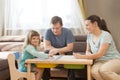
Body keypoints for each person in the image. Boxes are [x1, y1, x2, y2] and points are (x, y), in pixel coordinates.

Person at [73, 15, 120, 80]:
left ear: (95, 24)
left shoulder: (105, 35)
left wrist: (82, 56)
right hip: (100, 61)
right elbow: (88, 50)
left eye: (87, 25)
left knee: (103, 70)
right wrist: (87, 53)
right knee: (94, 72)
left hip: (113, 59)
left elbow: (100, 54)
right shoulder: (89, 36)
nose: (86, 27)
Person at [42, 16, 75, 80]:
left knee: (70, 54)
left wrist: (59, 50)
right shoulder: (48, 31)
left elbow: (70, 47)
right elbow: (46, 46)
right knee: (46, 53)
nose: (55, 30)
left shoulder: (68, 32)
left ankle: (71, 78)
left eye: (57, 28)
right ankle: (46, 78)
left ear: (61, 26)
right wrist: (57, 51)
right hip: (54, 51)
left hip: (65, 51)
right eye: (53, 28)